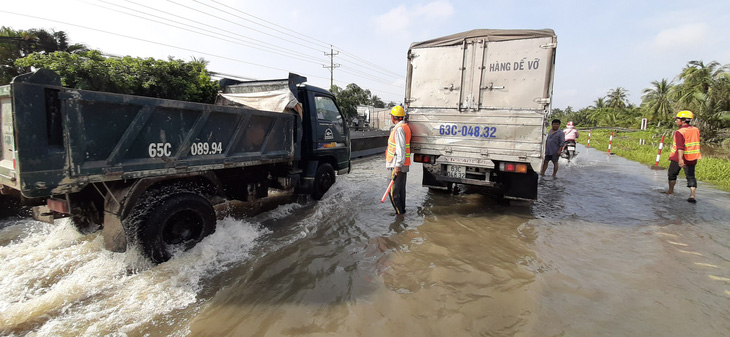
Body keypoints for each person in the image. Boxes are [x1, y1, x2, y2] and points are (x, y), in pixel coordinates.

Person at [666, 110, 701, 203]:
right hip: (692, 157)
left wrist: (681, 159)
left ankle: (670, 191)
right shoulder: (696, 130)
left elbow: (680, 146)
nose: (676, 121)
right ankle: (692, 195)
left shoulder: (679, 132)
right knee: (691, 176)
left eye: (677, 119)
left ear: (683, 120)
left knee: (672, 174)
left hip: (679, 157)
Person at [385, 105, 411, 215]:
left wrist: (397, 166)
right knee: (400, 191)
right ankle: (402, 212)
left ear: (393, 117)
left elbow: (401, 148)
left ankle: (399, 215)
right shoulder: (404, 126)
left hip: (397, 164)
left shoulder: (399, 129)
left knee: (393, 192)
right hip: (401, 164)